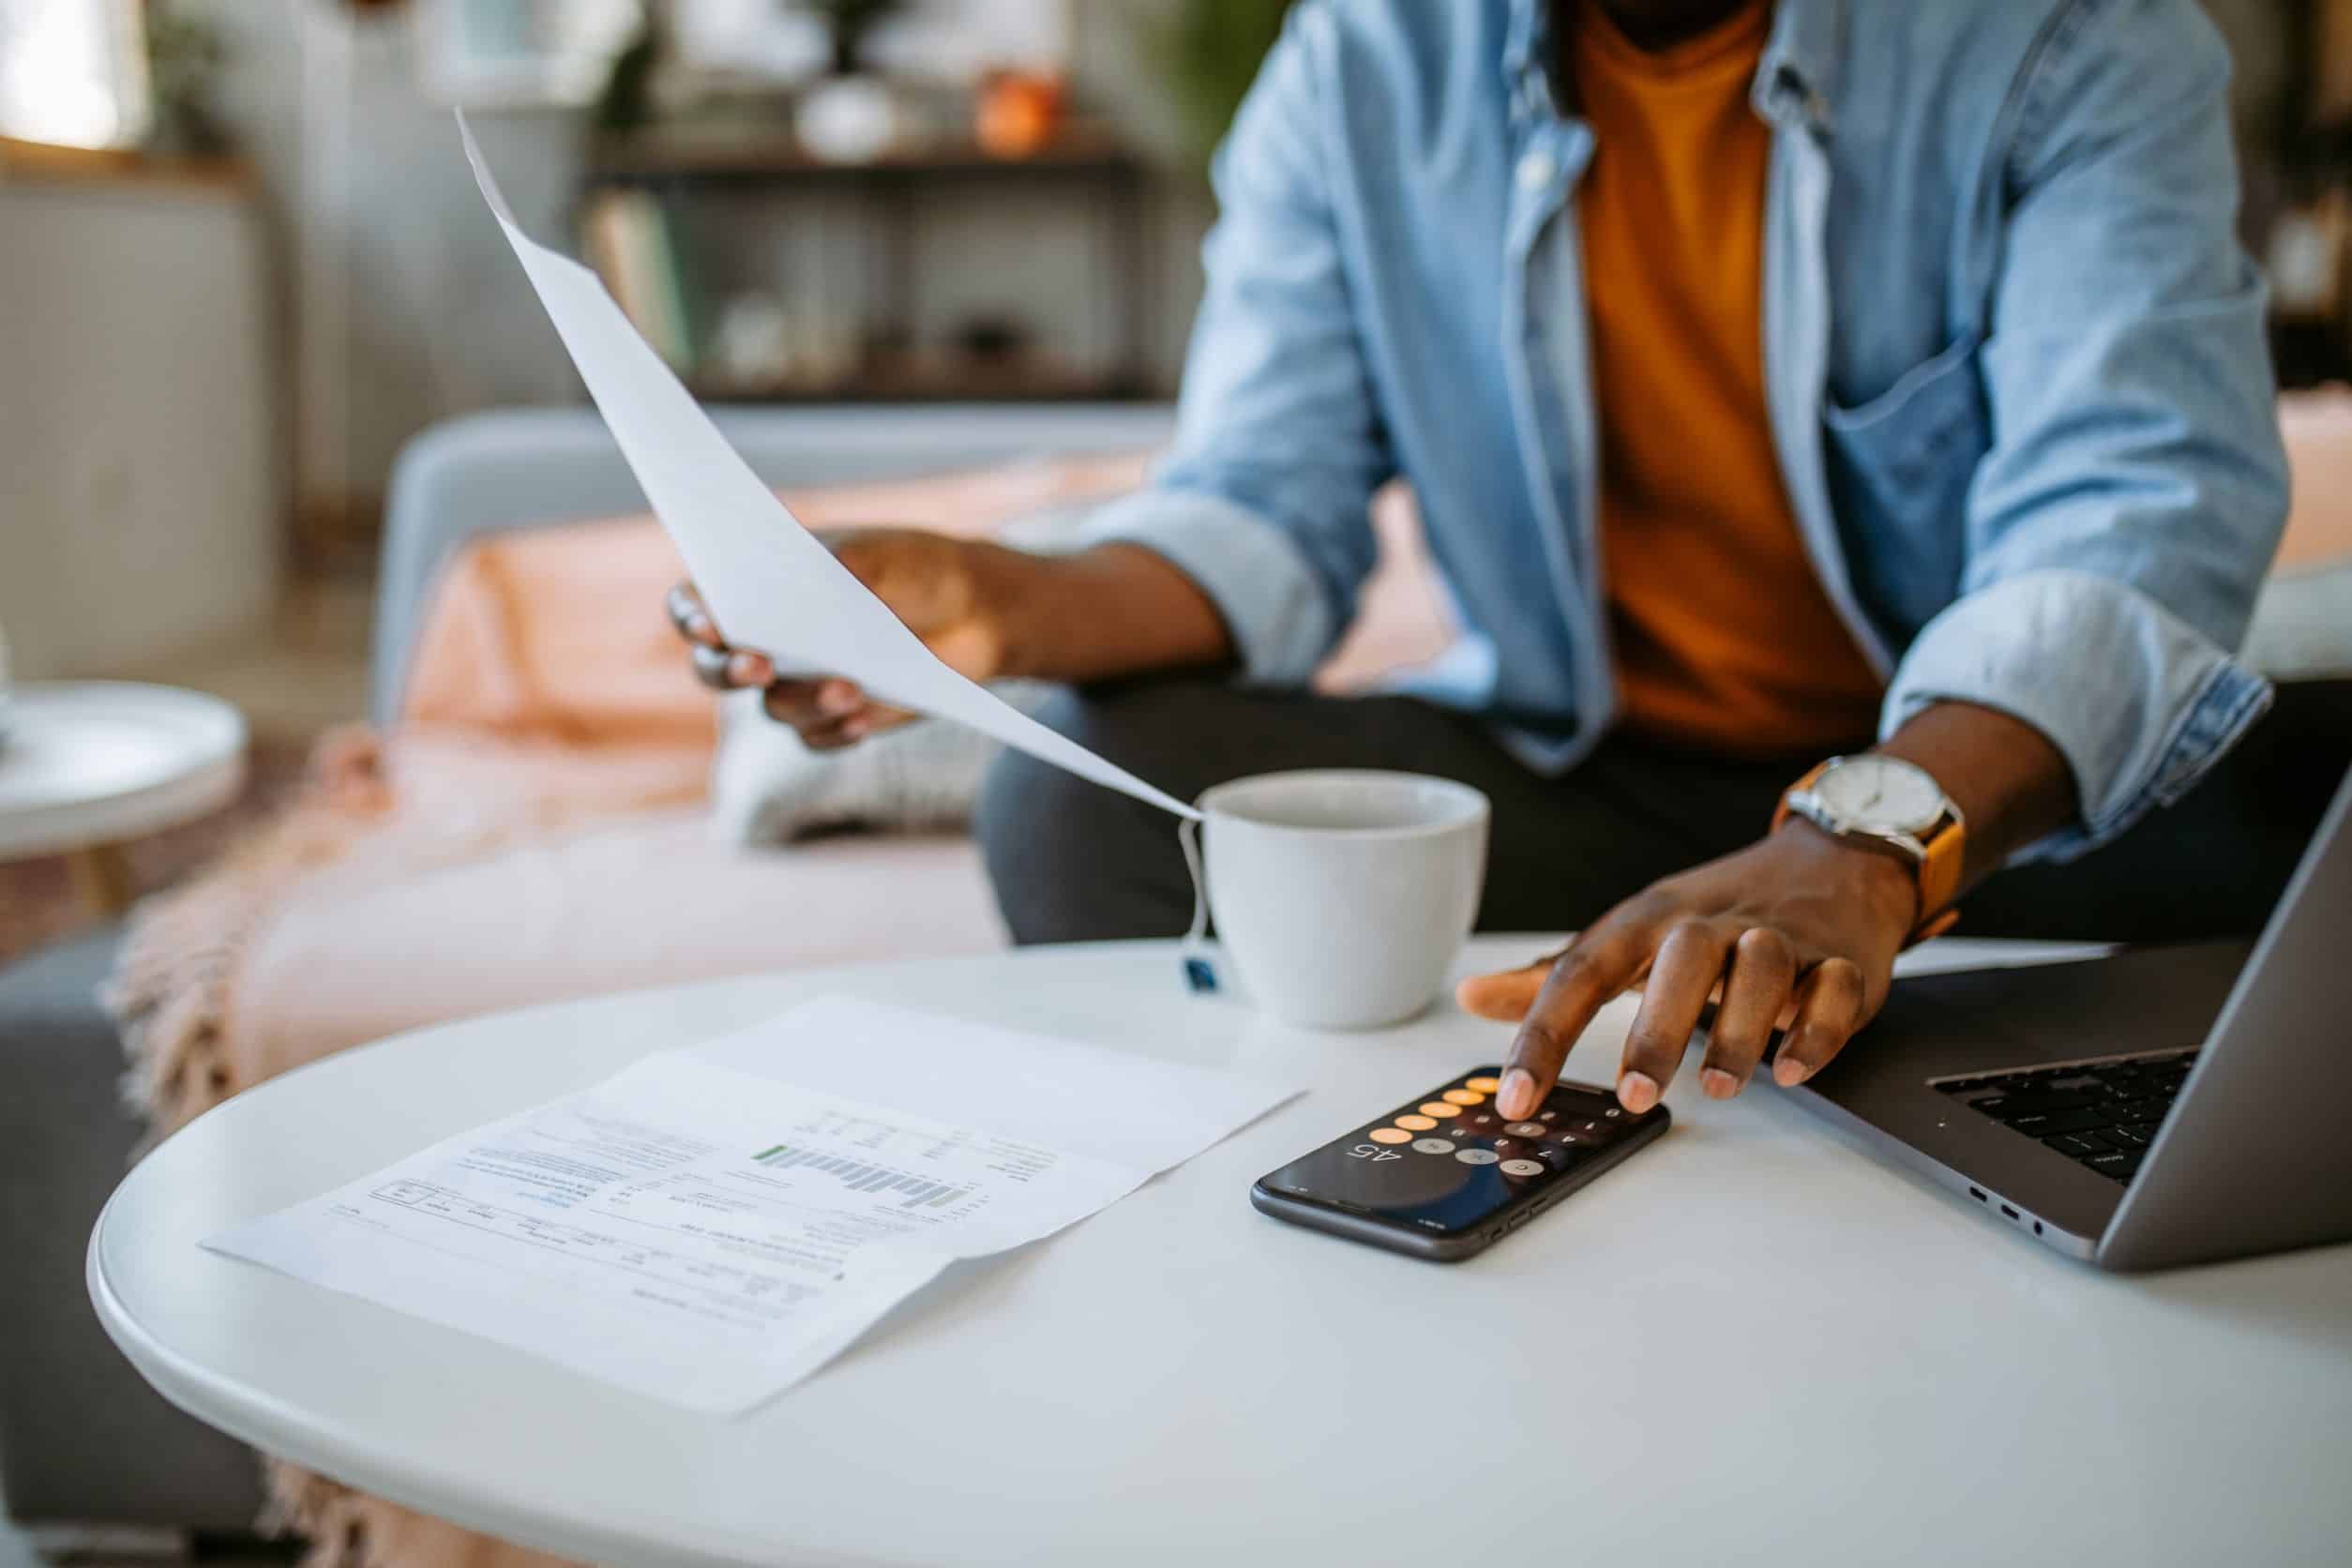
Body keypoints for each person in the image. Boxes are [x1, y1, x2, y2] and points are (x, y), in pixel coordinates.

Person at [671, 0, 2352, 1124]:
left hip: (1980, 806)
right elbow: (1266, 502)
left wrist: (1866, 839)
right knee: (1089, 794)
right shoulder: (1361, 64)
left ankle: (1844, 994)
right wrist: (1008, 600)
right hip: (1599, 785)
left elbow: (2131, 515)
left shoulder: (2068, 37)